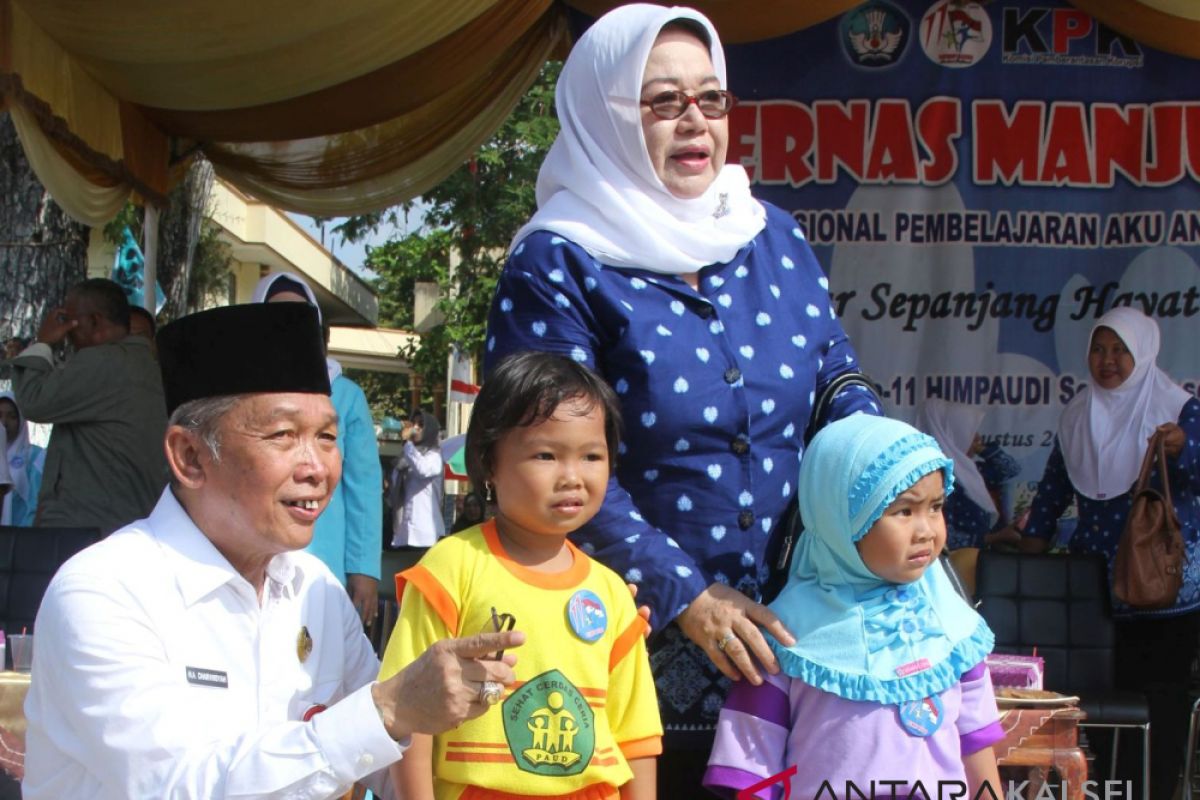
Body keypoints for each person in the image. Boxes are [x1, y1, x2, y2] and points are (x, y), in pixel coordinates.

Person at [482, 4, 879, 784]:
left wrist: (890, 482)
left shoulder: (772, 236)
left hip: (793, 639)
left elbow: (836, 383)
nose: (694, 122)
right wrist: (686, 596)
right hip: (627, 645)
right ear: (606, 115)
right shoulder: (558, 262)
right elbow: (549, 461)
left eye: (711, 99)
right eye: (663, 102)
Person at [22, 302, 524, 799]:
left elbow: (392, 767)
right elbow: (176, 786)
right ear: (190, 456)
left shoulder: (315, 588)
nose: (318, 468)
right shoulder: (104, 591)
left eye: (327, 436)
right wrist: (387, 710)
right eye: (283, 435)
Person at [379, 351, 661, 800]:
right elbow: (409, 710)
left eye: (591, 455)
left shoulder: (612, 593)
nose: (572, 477)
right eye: (546, 454)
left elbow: (636, 735)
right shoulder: (451, 568)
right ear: (490, 462)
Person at [704, 415, 1002, 799]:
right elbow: (751, 773)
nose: (927, 530)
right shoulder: (784, 638)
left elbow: (976, 749)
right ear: (840, 518)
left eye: (936, 506)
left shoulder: (955, 631)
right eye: (904, 511)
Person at [1016, 306, 1200, 799]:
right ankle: (1106, 792)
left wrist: (1188, 449)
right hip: (1096, 592)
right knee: (1096, 707)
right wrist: (1028, 549)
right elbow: (1055, 489)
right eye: (1099, 348)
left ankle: (1157, 791)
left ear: (1142, 353)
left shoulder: (1178, 410)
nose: (1107, 360)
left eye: (1120, 349)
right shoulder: (1079, 414)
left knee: (1159, 703)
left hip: (1163, 593)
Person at [252, 272, 384, 626]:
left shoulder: (344, 395)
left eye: (301, 319)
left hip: (325, 557)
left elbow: (364, 488)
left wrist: (364, 568)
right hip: (254, 555)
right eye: (277, 318)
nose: (289, 328)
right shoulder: (239, 393)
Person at [9, 278, 167, 533]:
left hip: (88, 524)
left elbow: (33, 401)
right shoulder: (144, 365)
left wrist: (44, 342)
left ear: (94, 321)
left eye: (69, 320)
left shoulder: (105, 361)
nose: (67, 331)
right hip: (126, 520)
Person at [915, 398, 1020, 550]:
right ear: (953, 434)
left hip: (978, 563)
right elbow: (944, 538)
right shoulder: (935, 481)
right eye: (970, 432)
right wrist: (996, 537)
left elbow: (1010, 469)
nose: (976, 437)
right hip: (956, 567)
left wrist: (982, 448)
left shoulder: (970, 472)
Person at [390, 410, 445, 549]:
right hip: (404, 533)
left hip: (426, 535)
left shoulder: (434, 456)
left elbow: (422, 469)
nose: (415, 428)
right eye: (413, 423)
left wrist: (406, 442)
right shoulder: (405, 458)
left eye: (421, 424)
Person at [0, 391, 44, 526]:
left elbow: (36, 506)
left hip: (19, 540)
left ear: (21, 420)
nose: (4, 422)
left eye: (12, 416)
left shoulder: (35, 457)